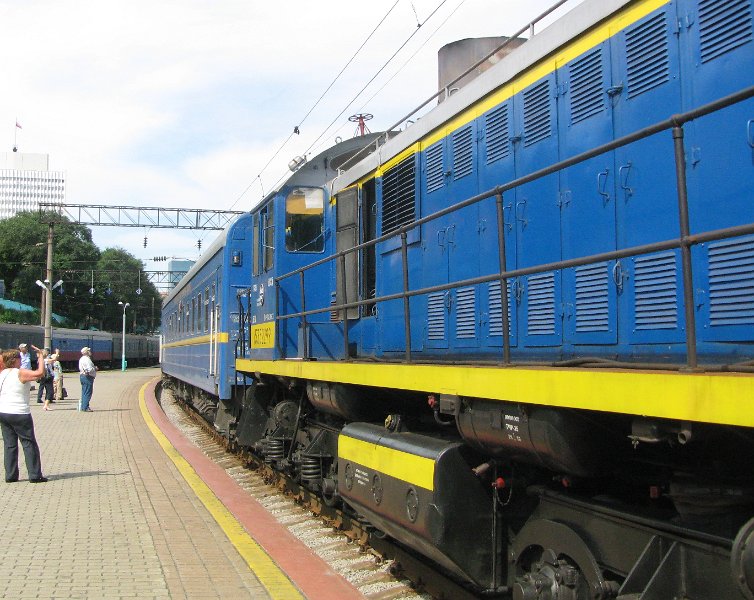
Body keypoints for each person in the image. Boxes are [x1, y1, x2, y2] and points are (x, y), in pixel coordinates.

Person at [0, 345, 48, 483]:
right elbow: (39, 373)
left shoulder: (2, 374)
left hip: (3, 412)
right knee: (28, 443)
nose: (21, 360)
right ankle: (35, 475)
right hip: (19, 413)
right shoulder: (20, 373)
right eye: (19, 358)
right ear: (14, 360)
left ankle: (10, 476)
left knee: (9, 444)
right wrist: (40, 357)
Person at [78, 347, 96, 412]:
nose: (90, 351)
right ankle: (85, 407)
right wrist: (94, 368)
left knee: (84, 392)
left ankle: (83, 406)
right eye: (89, 350)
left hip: (82, 376)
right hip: (87, 377)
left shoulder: (81, 359)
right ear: (87, 352)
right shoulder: (87, 359)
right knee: (88, 392)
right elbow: (89, 369)